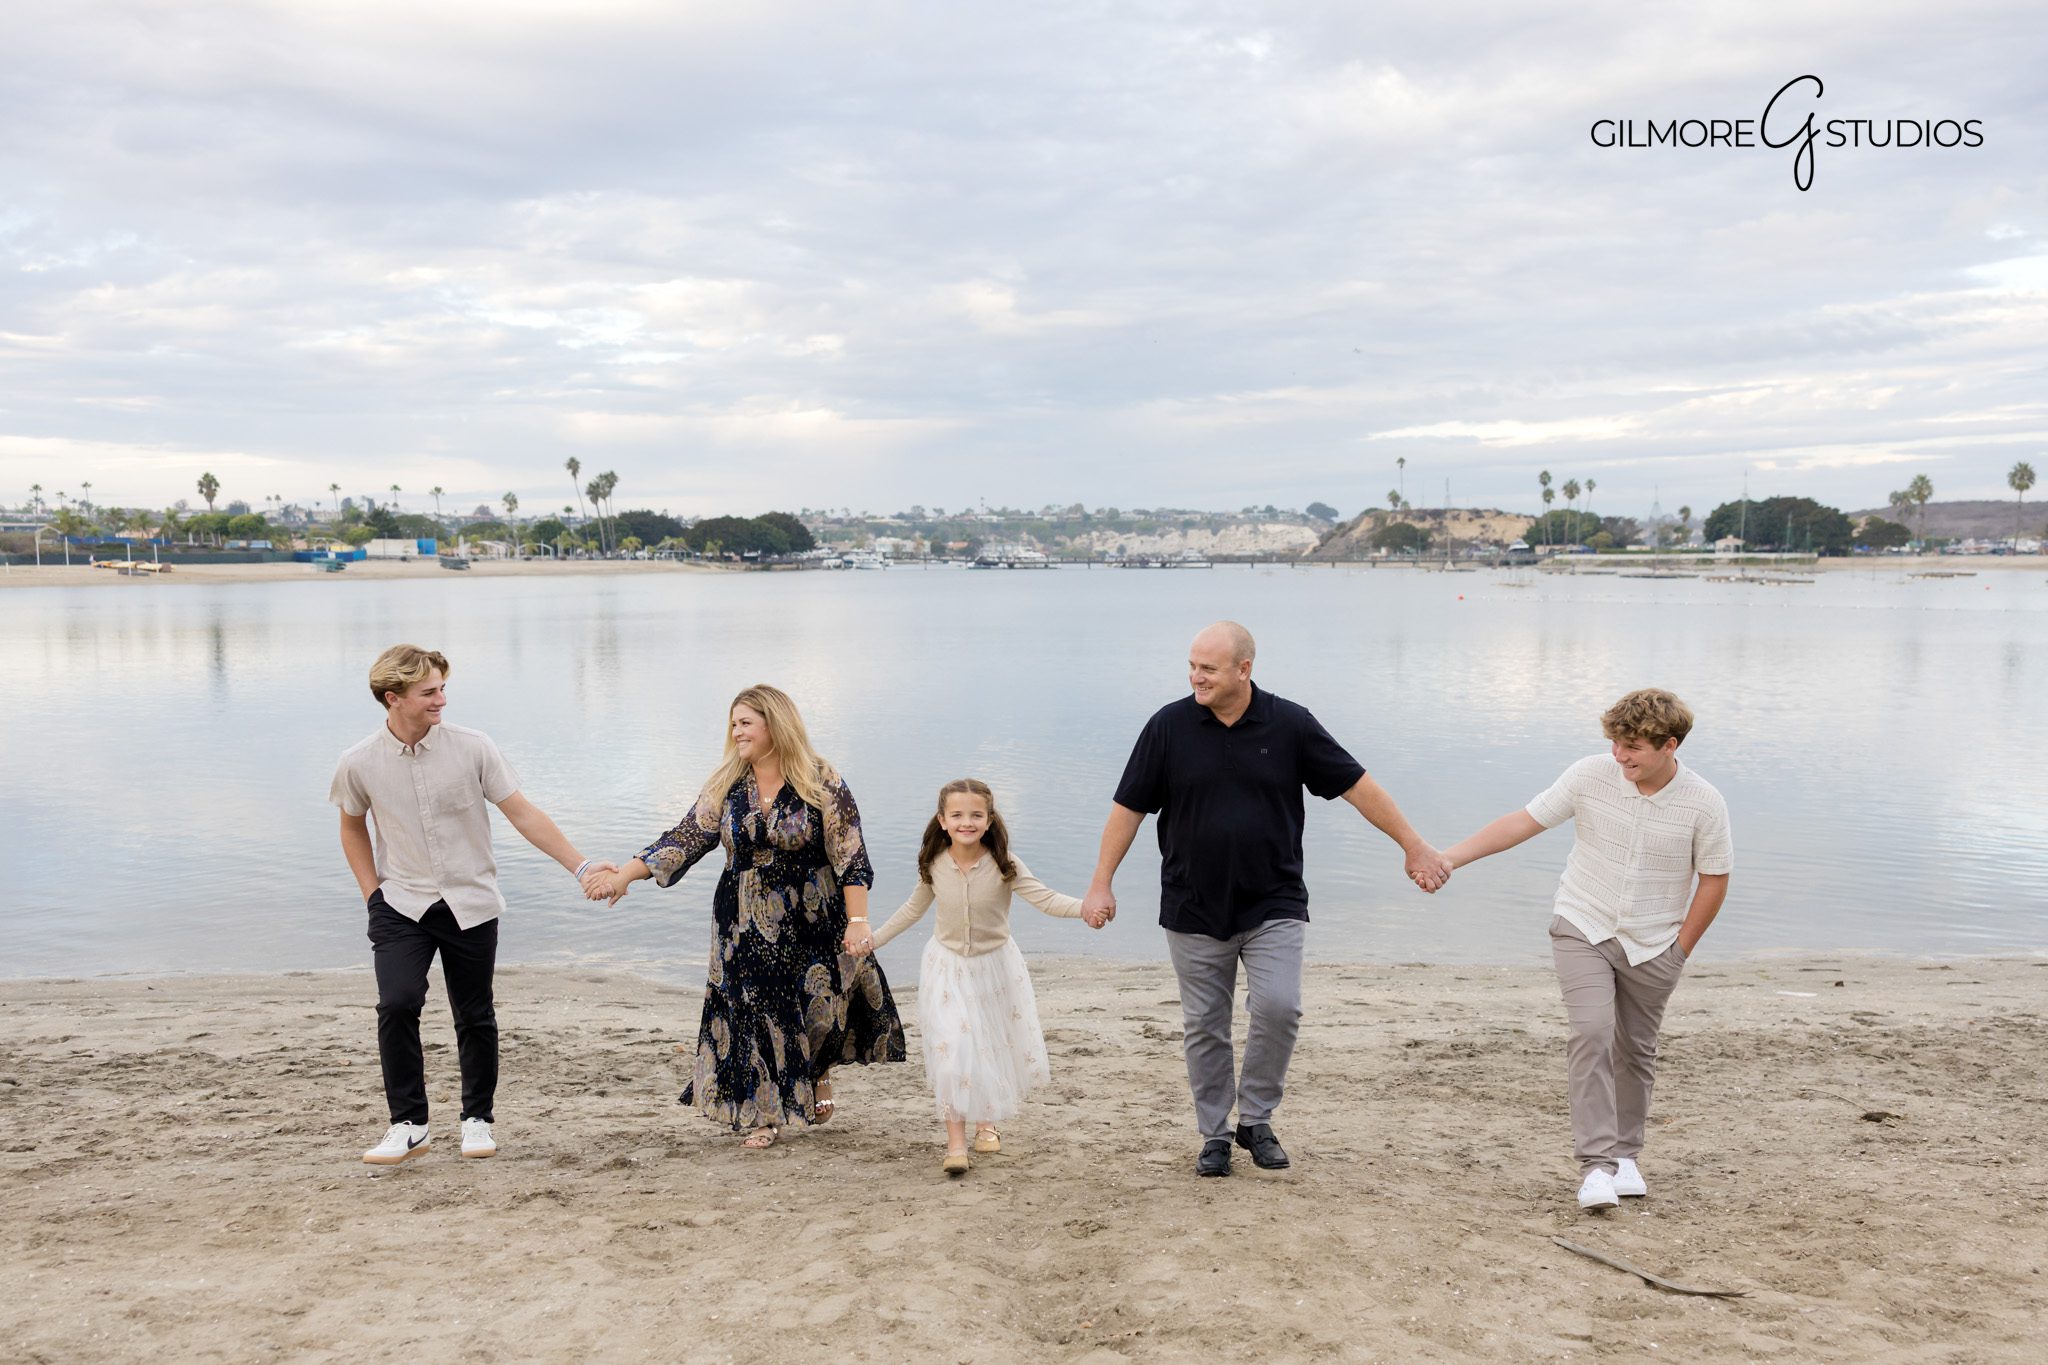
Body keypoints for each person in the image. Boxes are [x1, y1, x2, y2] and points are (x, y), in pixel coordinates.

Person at [1081, 622, 1450, 1178]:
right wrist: (1101, 881)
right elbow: (1128, 808)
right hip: (1192, 902)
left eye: (1208, 668)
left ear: (1243, 670)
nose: (1195, 676)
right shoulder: (1168, 726)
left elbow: (1357, 785)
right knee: (1205, 1024)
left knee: (1279, 1007)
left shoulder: (1290, 723)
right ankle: (1215, 1134)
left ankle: (1255, 1118)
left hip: (1273, 898)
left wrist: (1413, 845)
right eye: (1192, 665)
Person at [1441, 688, 1732, 1211]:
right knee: (1592, 1033)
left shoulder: (1704, 802)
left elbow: (1714, 879)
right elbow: (1522, 823)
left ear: (1669, 745)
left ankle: (1626, 1157)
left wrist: (1680, 950)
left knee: (1636, 1050)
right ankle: (1595, 1166)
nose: (1619, 757)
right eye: (1615, 744)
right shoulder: (1590, 775)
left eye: (1632, 748)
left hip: (1655, 943)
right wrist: (1448, 859)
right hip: (1583, 922)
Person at [330, 644, 613, 1166]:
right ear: (393, 698)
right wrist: (372, 895)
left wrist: (582, 866)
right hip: (400, 904)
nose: (442, 699)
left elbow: (522, 814)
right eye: (429, 692)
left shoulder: (474, 747)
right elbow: (351, 827)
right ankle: (409, 1124)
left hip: (471, 902)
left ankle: (476, 1119)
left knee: (475, 1014)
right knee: (396, 1004)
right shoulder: (358, 762)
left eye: (442, 687)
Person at [587, 685, 905, 1148]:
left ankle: (817, 1071)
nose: (736, 731)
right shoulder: (727, 785)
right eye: (733, 723)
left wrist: (859, 922)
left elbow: (850, 856)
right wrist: (624, 876)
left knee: (818, 1006)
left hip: (813, 913)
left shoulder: (822, 780)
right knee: (753, 1011)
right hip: (742, 918)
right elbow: (686, 837)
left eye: (745, 723)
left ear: (776, 725)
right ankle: (764, 1115)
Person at [855, 778, 1098, 1175]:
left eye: (975, 815)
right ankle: (955, 1144)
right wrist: (873, 939)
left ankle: (987, 1123)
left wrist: (1086, 909)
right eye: (957, 815)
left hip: (994, 967)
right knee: (953, 1050)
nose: (966, 822)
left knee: (986, 1047)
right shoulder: (934, 864)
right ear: (943, 820)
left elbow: (1046, 898)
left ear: (988, 820)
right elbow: (911, 910)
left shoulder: (1006, 865)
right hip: (946, 965)